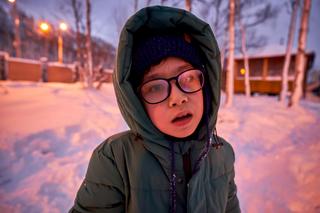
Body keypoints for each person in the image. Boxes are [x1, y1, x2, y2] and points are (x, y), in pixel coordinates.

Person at [70, 5, 240, 213]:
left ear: (205, 86)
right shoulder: (115, 159)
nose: (178, 98)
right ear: (136, 101)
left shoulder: (222, 154)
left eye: (188, 78)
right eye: (156, 87)